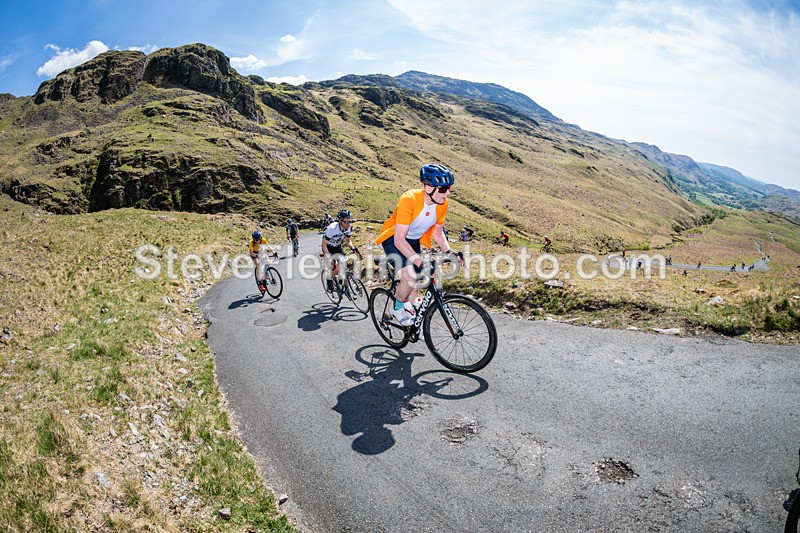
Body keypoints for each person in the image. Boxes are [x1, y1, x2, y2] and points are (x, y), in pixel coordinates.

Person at [375, 163, 462, 326]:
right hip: (395, 239)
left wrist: (450, 252)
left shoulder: (443, 204)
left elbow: (438, 233)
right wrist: (420, 262)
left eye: (449, 188)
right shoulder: (409, 199)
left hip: (413, 241)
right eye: (443, 189)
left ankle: (412, 321)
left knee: (416, 283)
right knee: (409, 277)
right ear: (428, 187)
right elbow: (399, 240)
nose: (448, 193)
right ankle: (397, 307)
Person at [322, 209, 361, 292]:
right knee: (334, 268)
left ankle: (341, 279)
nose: (348, 224)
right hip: (328, 247)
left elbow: (347, 241)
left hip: (338, 246)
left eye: (349, 221)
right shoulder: (332, 229)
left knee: (343, 263)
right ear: (340, 221)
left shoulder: (349, 227)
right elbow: (324, 244)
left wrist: (352, 247)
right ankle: (329, 280)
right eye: (346, 222)